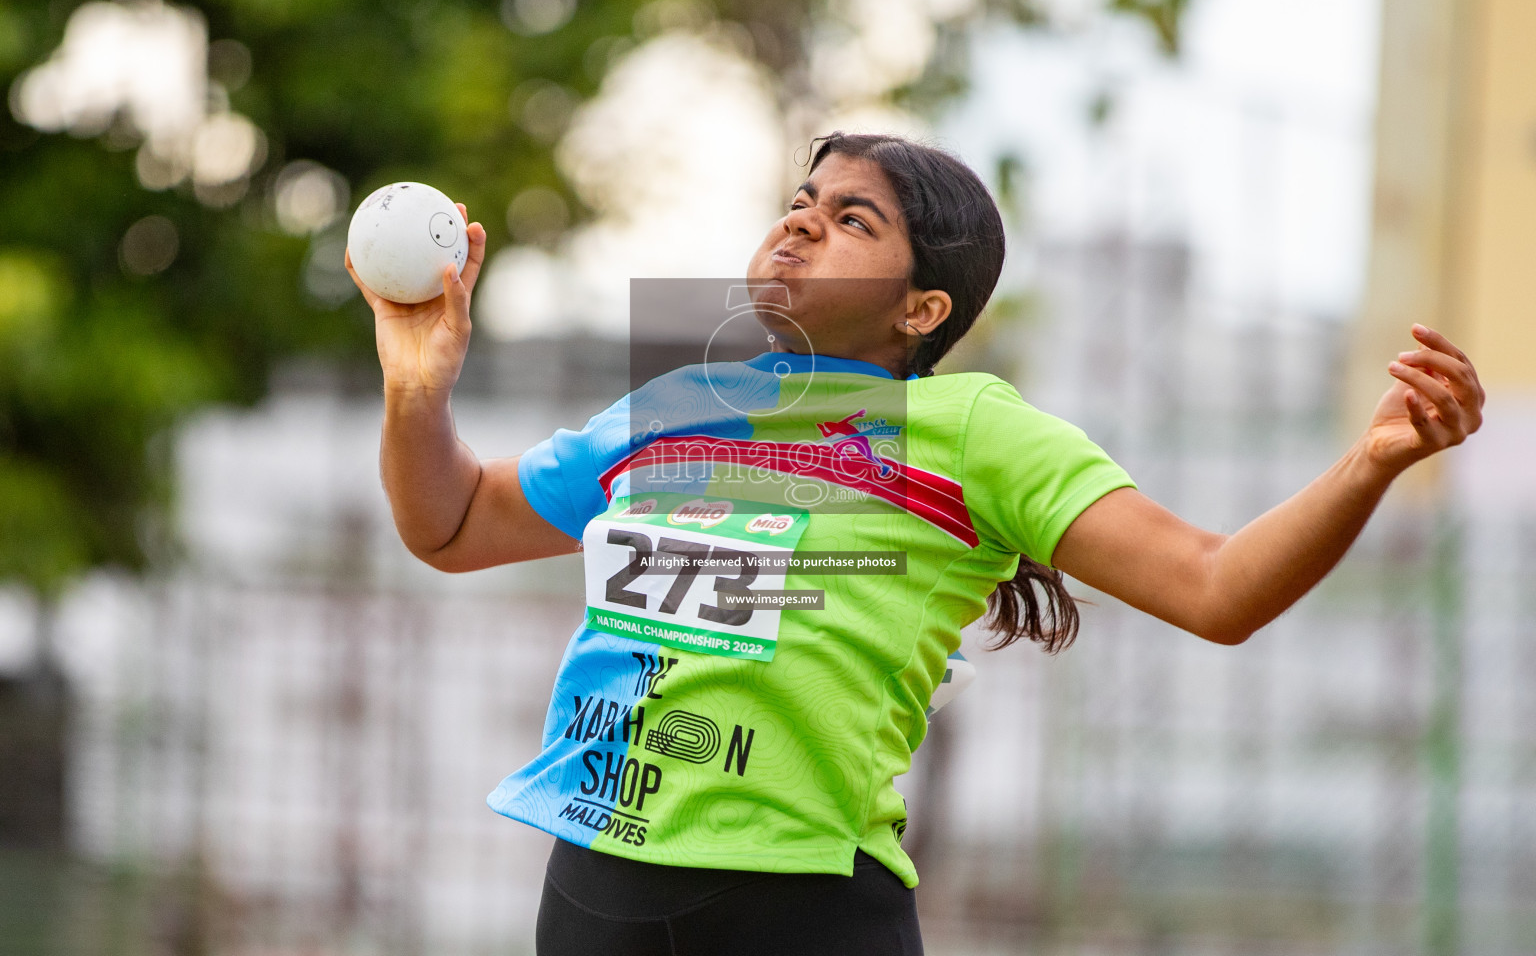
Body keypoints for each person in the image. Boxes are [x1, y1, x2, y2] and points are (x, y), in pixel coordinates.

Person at [348, 133, 1484, 956]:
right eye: (804, 200)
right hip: (598, 889)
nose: (801, 220)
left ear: (920, 311)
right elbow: (447, 525)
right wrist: (417, 390)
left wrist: (1370, 462)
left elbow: (1215, 586)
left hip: (802, 906)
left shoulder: (974, 430)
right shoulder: (676, 402)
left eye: (854, 220)